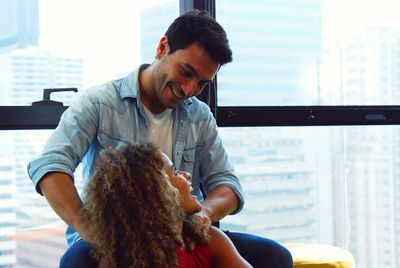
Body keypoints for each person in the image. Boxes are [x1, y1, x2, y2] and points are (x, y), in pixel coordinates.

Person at [27, 9, 293, 268]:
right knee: (77, 262)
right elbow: (50, 167)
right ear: (162, 48)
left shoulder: (199, 115)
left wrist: (204, 213)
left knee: (274, 256)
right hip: (118, 237)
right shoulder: (98, 103)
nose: (190, 89)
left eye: (201, 83)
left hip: (182, 232)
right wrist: (89, 229)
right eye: (186, 72)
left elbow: (228, 185)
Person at [79, 143, 252, 267]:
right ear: (157, 195)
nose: (187, 175)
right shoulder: (117, 261)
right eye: (175, 172)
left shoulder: (210, 240)